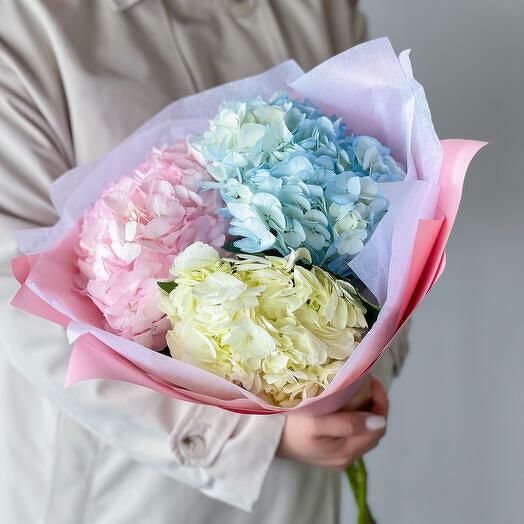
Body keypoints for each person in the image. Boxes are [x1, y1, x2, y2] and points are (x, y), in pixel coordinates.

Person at [0, 1, 409, 523]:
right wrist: (245, 436)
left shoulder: (320, 9)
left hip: (304, 481)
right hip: (129, 489)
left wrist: (358, 374)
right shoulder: (28, 28)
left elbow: (388, 208)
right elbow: (17, 298)